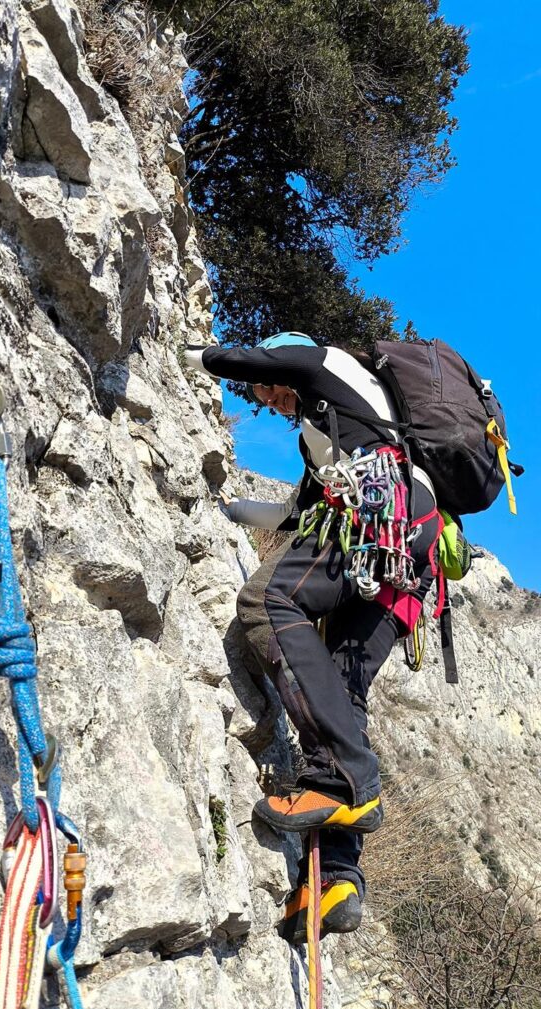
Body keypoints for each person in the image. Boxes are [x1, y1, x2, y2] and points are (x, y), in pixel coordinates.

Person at [185, 332, 442, 942]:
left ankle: (348, 775)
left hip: (377, 520)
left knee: (270, 599)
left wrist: (177, 350)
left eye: (268, 388)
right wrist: (225, 512)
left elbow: (252, 358)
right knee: (343, 693)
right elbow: (297, 514)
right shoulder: (331, 432)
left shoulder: (323, 363)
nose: (268, 398)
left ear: (285, 362)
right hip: (408, 555)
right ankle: (338, 883)